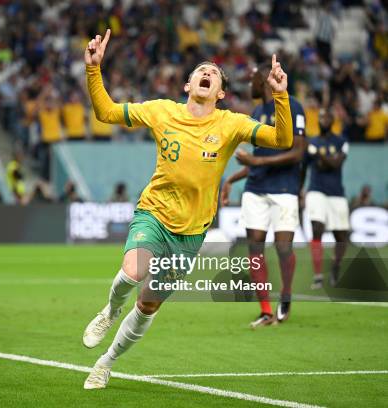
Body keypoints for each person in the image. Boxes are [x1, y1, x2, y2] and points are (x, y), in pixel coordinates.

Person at [82, 29, 293, 389]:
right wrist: (93, 69)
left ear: (221, 93)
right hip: (154, 212)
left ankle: (106, 361)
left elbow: (282, 140)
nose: (207, 72)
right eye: (201, 69)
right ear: (188, 84)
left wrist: (280, 97)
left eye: (214, 73)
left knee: (148, 306)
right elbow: (105, 113)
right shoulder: (161, 111)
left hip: (192, 232)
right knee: (133, 271)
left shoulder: (231, 123)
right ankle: (111, 309)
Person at [221, 63, 306, 327]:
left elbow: (297, 152)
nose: (249, 86)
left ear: (264, 81)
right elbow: (258, 157)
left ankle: (286, 297)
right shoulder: (257, 111)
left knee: (283, 247)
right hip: (256, 189)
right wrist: (232, 180)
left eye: (252, 80)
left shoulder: (293, 106)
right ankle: (266, 309)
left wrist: (256, 164)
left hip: (284, 188)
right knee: (255, 248)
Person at [303, 109, 350, 289]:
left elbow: (335, 164)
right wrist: (300, 188)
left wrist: (320, 155)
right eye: (322, 117)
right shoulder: (311, 142)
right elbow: (305, 168)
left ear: (333, 120)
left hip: (336, 193)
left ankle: (336, 266)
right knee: (317, 228)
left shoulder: (341, 141)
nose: (324, 119)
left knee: (341, 236)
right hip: (316, 190)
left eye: (328, 116)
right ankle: (318, 276)